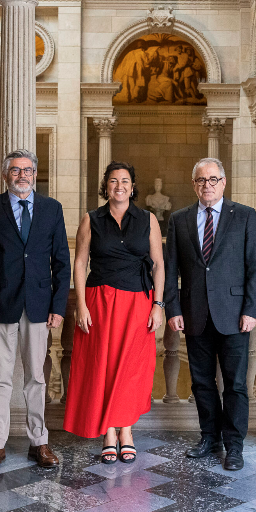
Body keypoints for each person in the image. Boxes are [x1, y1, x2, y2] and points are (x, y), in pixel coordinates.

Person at [0, 149, 71, 471]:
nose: (22, 175)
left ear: (35, 173)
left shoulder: (52, 210)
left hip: (40, 307)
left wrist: (58, 307)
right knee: (0, 378)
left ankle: (39, 442)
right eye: (15, 170)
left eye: (28, 170)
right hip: (1, 307)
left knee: (37, 379)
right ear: (5, 175)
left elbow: (62, 264)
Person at [164, 158, 256, 471]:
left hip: (235, 315)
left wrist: (251, 309)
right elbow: (170, 269)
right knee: (202, 382)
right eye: (201, 180)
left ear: (223, 182)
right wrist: (173, 307)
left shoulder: (245, 216)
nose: (207, 185)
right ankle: (209, 437)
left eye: (213, 179)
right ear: (194, 184)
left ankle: (234, 445)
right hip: (194, 314)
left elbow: (255, 267)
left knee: (235, 384)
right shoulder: (179, 219)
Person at [63, 161, 165, 464]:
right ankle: (108, 431)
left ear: (133, 187)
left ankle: (126, 431)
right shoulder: (91, 219)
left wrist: (158, 305)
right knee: (103, 366)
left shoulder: (148, 219)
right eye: (112, 181)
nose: (119, 186)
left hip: (138, 301)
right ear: (105, 186)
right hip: (100, 300)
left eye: (125, 181)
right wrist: (80, 304)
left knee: (131, 368)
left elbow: (158, 264)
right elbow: (80, 263)